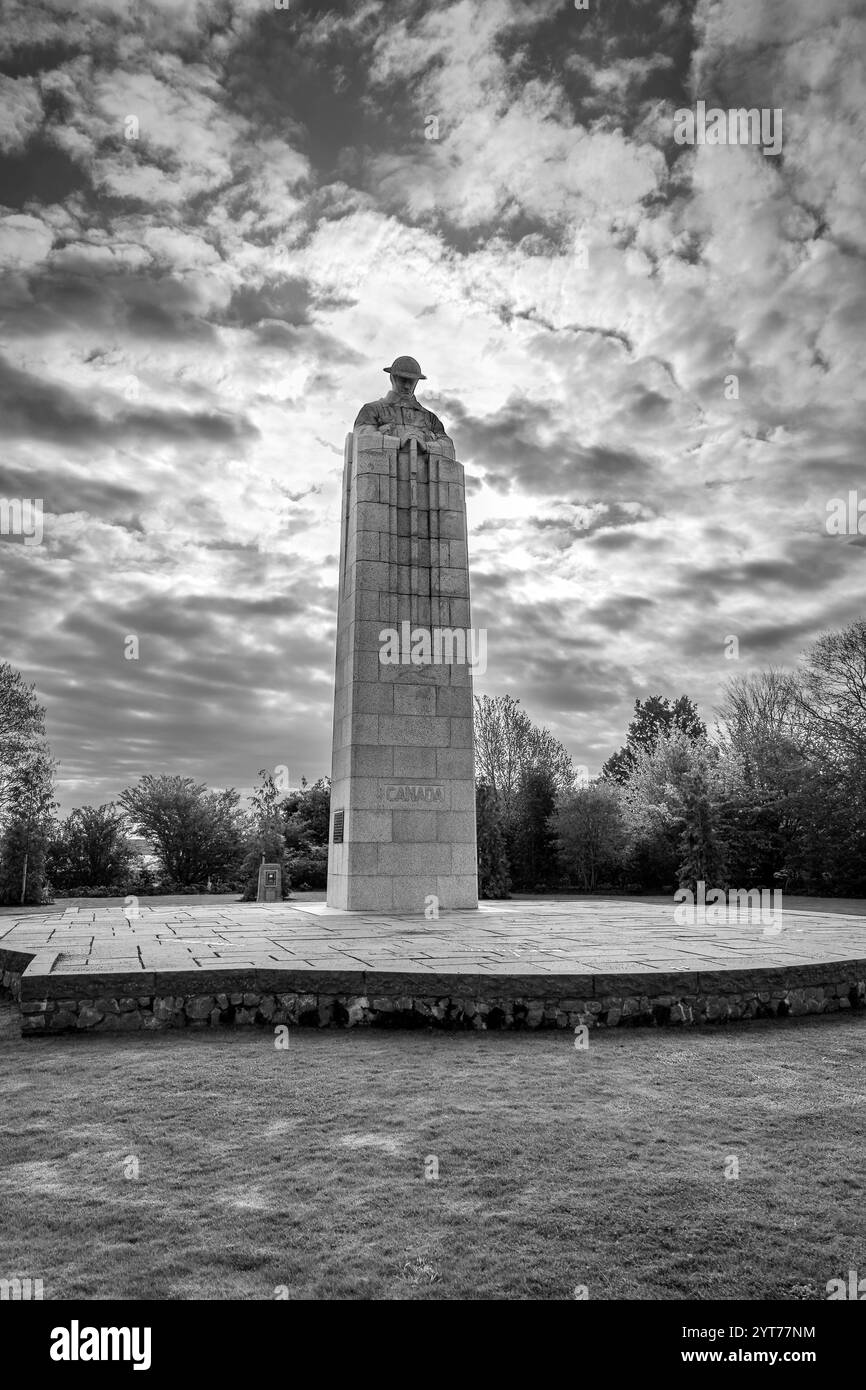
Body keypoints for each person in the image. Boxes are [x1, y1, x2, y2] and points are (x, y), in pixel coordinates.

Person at [353, 356, 453, 455]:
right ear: (392, 378)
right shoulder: (371, 410)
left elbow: (448, 445)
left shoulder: (430, 418)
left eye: (411, 381)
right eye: (403, 380)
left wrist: (426, 445)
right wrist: (398, 441)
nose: (407, 386)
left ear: (417, 382)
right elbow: (363, 438)